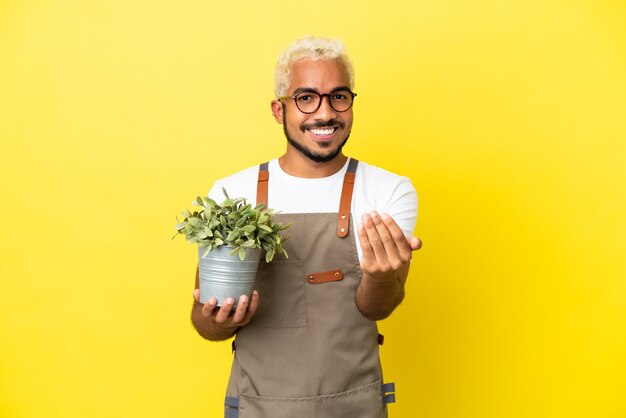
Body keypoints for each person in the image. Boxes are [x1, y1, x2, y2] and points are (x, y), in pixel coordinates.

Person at [191, 36, 422, 418]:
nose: (325, 112)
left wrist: (382, 278)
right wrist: (219, 319)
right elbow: (203, 322)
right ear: (278, 110)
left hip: (355, 406)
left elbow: (378, 307)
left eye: (339, 96)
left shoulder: (389, 190)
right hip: (256, 407)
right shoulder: (233, 193)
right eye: (306, 97)